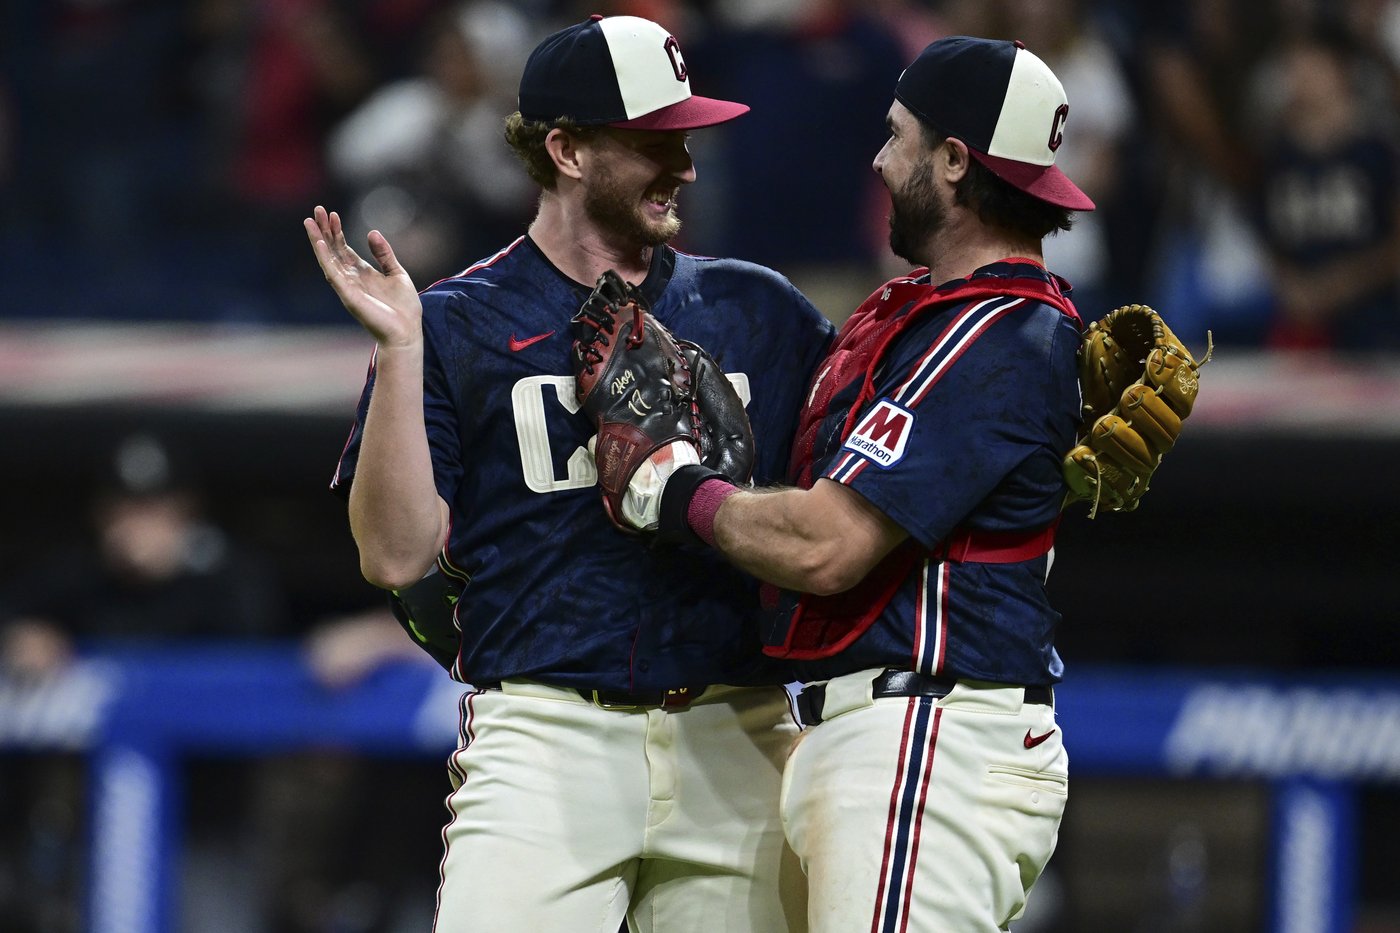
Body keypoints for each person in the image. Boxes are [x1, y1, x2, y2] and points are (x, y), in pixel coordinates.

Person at [304, 13, 834, 933]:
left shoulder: (759, 310)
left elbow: (854, 494)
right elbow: (394, 554)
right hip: (547, 737)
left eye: (688, 138)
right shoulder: (456, 322)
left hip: (738, 729)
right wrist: (398, 350)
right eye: (656, 142)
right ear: (567, 149)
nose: (688, 165)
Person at [605, 36, 1094, 931]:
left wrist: (672, 486)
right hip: (887, 737)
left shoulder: (1000, 331)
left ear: (954, 162)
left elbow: (826, 545)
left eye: (898, 135)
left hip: (928, 737)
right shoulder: (930, 313)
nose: (878, 157)